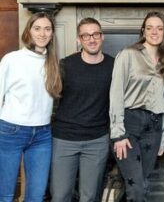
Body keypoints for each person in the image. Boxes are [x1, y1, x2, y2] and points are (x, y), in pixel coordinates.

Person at [109, 11, 164, 202]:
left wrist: (163, 138)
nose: (155, 32)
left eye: (159, 28)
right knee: (137, 189)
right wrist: (118, 134)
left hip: (154, 126)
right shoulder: (128, 55)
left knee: (140, 184)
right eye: (150, 27)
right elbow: (116, 94)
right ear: (143, 31)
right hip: (129, 124)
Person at [50, 18, 114, 202]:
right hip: (64, 140)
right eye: (86, 35)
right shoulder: (65, 65)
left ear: (102, 37)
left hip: (97, 141)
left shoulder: (114, 66)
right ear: (79, 39)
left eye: (95, 34)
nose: (91, 39)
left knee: (89, 196)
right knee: (60, 195)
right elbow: (51, 100)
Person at [0, 12, 62, 202]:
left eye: (47, 29)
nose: (42, 33)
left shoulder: (53, 63)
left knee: (36, 196)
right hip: (11, 131)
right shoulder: (12, 60)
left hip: (43, 135)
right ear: (29, 31)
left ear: (52, 34)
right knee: (6, 194)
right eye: (37, 28)